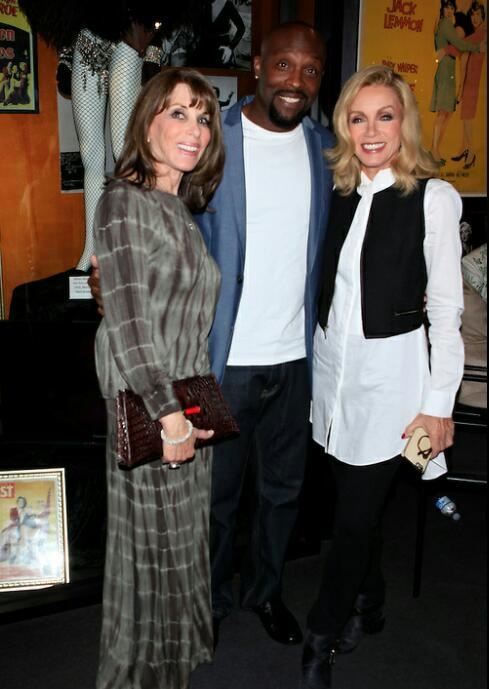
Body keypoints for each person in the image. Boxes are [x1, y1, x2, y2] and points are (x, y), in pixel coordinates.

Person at [90, 21, 334, 649]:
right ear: (257, 64)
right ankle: (213, 600)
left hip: (295, 355)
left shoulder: (322, 145)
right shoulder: (208, 139)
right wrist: (110, 274)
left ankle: (267, 591)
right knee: (215, 500)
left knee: (282, 492)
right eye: (284, 66)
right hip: (221, 359)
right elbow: (153, 227)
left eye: (310, 71)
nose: (295, 81)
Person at [301, 65, 465, 689]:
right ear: (344, 124)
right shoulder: (336, 189)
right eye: (359, 117)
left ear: (405, 123)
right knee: (353, 509)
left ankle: (320, 639)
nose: (372, 131)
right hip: (331, 381)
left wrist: (438, 406)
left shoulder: (434, 198)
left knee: (353, 521)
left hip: (395, 386)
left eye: (385, 116)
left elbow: (446, 314)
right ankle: (371, 601)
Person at [92, 68, 225, 689]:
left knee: (177, 540)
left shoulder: (178, 206)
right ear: (147, 122)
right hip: (150, 394)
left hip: (183, 397)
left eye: (203, 118)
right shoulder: (123, 201)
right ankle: (141, 675)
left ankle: (171, 663)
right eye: (178, 113)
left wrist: (187, 408)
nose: (194, 130)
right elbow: (128, 321)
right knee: (149, 547)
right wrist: (168, 415)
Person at [430, 0, 481, 165]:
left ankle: (434, 149)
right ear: (443, 9)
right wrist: (476, 48)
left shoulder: (444, 23)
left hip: (447, 69)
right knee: (443, 113)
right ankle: (434, 151)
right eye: (447, 7)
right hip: (446, 71)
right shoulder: (445, 24)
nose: (450, 11)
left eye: (452, 8)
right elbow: (458, 43)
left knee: (446, 112)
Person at [443, 1, 487, 169]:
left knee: (468, 119)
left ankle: (472, 152)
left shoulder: (481, 33)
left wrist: (443, 50)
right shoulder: (477, 33)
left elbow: (459, 47)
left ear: (483, 16)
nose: (475, 18)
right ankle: (464, 148)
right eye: (472, 15)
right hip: (469, 83)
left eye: (478, 15)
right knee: (465, 117)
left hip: (475, 84)